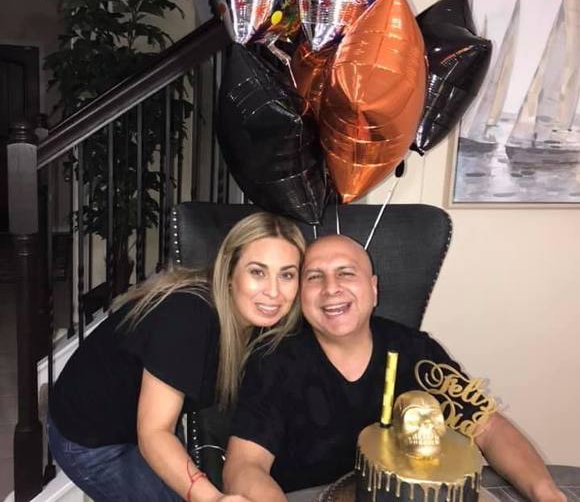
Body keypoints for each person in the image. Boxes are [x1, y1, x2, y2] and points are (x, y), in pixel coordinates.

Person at [223, 234, 566, 502]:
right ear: (301, 296)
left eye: (346, 273)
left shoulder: (416, 352)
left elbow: (488, 427)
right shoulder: (275, 361)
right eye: (315, 277)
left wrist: (546, 493)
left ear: (373, 289)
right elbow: (244, 466)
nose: (331, 288)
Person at [48, 212, 306, 502]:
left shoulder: (261, 323)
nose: (273, 291)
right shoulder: (187, 316)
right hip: (91, 435)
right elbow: (155, 434)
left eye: (287, 275)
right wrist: (214, 499)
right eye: (257, 272)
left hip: (144, 419)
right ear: (229, 270)